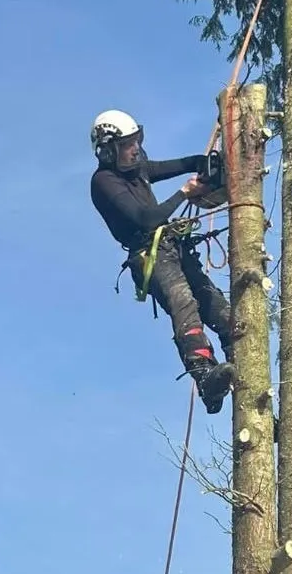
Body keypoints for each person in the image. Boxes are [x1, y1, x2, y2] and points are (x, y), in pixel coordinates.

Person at [90, 109, 235, 414]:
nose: (135, 149)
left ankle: (252, 388)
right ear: (109, 149)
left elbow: (179, 164)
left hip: (174, 248)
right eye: (127, 144)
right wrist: (184, 193)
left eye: (136, 141)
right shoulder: (104, 181)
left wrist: (205, 166)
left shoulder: (137, 169)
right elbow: (146, 218)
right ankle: (204, 375)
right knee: (184, 304)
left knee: (221, 311)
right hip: (149, 255)